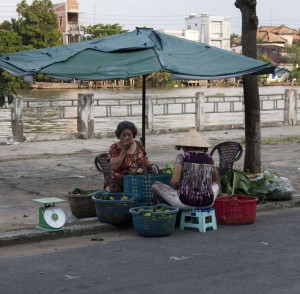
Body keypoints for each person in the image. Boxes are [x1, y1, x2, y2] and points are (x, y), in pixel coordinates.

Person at [151, 128, 220, 210]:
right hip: (208, 202)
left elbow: (174, 182)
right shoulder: (210, 159)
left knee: (155, 185)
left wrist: (180, 186)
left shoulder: (182, 157)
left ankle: (164, 212)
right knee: (216, 185)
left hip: (185, 202)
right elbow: (216, 181)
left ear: (185, 146)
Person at [108, 121, 153, 192]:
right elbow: (114, 166)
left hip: (138, 176)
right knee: (115, 177)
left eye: (129, 135)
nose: (127, 138)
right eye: (123, 135)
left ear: (133, 135)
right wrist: (124, 150)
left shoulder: (138, 144)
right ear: (119, 136)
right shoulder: (114, 147)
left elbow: (144, 159)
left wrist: (151, 168)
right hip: (122, 178)